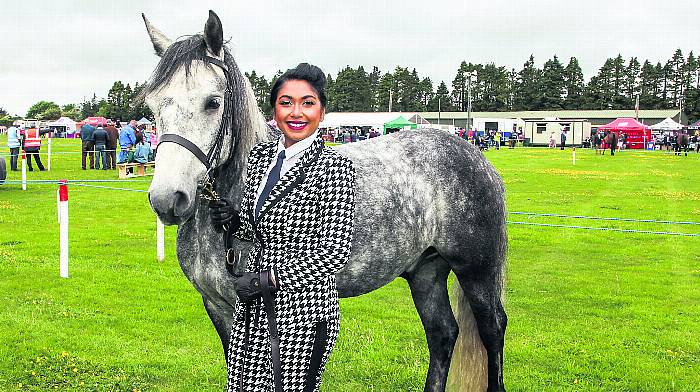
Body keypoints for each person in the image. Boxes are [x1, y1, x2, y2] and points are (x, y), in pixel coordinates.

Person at [211, 63, 355, 392]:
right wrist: (235, 219)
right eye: (286, 102)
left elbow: (334, 252)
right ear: (274, 109)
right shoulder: (261, 156)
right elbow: (257, 228)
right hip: (255, 305)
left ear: (322, 111)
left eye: (308, 102)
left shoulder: (334, 166)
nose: (296, 112)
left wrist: (267, 280)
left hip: (302, 311)